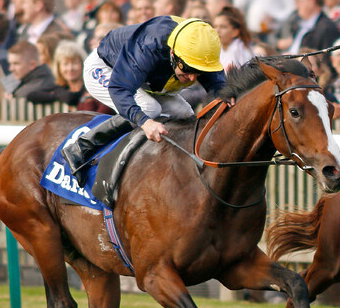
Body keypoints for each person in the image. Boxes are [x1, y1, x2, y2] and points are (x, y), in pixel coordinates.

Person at [61, 16, 225, 185]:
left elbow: (220, 88)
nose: (192, 77)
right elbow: (120, 89)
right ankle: (80, 148)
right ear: (173, 53)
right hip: (105, 68)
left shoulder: (202, 52)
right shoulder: (149, 46)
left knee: (185, 112)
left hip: (143, 81)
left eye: (198, 71)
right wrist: (144, 122)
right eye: (188, 69)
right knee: (148, 109)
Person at [214, 6, 253, 70]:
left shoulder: (241, 48)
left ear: (235, 32)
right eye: (215, 26)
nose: (217, 30)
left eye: (223, 27)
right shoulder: (216, 49)